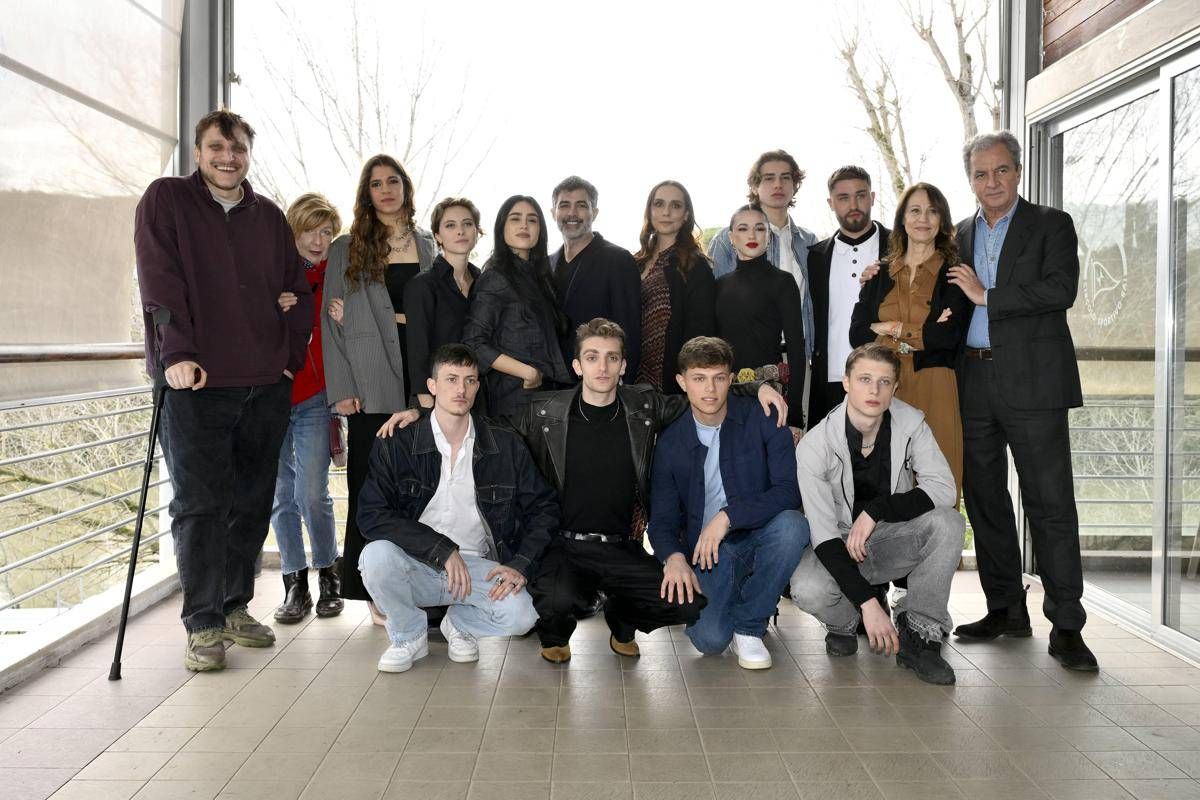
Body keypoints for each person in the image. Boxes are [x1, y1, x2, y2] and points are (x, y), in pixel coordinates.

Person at [134, 109, 312, 671]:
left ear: (248, 155)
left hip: (264, 384)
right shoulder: (167, 201)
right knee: (200, 504)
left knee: (253, 501)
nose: (227, 158)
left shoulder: (270, 218)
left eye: (237, 149)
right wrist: (176, 354)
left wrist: (288, 363)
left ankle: (234, 605)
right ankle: (203, 622)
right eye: (217, 147)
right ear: (198, 152)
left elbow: (298, 292)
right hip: (196, 383)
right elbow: (159, 282)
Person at [947, 130, 1096, 671]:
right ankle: (1006, 608)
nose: (992, 182)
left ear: (1018, 171)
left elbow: (1061, 289)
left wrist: (987, 296)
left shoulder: (1052, 224)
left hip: (1035, 384)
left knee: (1049, 503)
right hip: (973, 381)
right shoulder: (959, 234)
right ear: (970, 180)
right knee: (985, 500)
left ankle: (1067, 624)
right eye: (981, 173)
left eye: (1001, 170)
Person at [356, 344, 555, 672]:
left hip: (477, 567)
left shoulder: (505, 443)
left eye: (469, 380)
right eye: (451, 379)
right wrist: (441, 550)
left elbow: (544, 507)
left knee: (523, 615)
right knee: (375, 557)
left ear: (477, 387)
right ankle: (409, 635)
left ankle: (460, 625)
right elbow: (371, 515)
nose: (461, 389)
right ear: (432, 386)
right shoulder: (398, 442)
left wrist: (521, 563)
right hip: (415, 563)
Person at [791, 343, 965, 685]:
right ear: (846, 382)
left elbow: (944, 489)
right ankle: (846, 622)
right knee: (807, 587)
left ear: (895, 388)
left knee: (949, 523)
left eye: (884, 382)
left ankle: (920, 636)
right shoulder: (815, 444)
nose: (874, 390)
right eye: (865, 379)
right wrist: (868, 603)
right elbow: (824, 538)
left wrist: (877, 509)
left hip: (890, 539)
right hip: (840, 543)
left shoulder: (911, 424)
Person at [648, 336, 809, 669]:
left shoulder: (764, 416)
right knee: (709, 640)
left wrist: (727, 517)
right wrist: (673, 558)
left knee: (793, 526)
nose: (710, 389)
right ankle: (746, 596)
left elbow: (789, 491)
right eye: (699, 378)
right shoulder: (670, 442)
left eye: (719, 378)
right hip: (708, 556)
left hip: (759, 535)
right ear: (682, 382)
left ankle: (749, 626)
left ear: (731, 379)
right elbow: (661, 519)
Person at [322, 154, 437, 610]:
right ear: (366, 194)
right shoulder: (346, 247)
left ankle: (418, 584)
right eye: (376, 183)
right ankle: (370, 588)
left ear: (406, 187)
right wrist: (342, 389)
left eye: (393, 181)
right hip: (370, 375)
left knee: (420, 480)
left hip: (421, 371)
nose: (386, 190)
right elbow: (331, 323)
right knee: (369, 480)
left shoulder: (428, 243)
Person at [849, 182, 972, 497]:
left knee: (939, 482)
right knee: (884, 485)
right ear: (902, 219)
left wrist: (889, 328)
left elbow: (947, 337)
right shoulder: (879, 273)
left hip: (934, 386)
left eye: (932, 211)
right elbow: (858, 333)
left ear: (942, 220)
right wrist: (920, 332)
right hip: (884, 388)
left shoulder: (954, 274)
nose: (923, 219)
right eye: (915, 210)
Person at [271, 193, 345, 622]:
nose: (318, 241)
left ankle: (329, 575)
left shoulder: (338, 277)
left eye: (326, 232)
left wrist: (345, 317)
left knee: (311, 492)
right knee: (281, 494)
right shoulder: (272, 273)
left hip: (316, 396)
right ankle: (294, 583)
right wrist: (272, 308)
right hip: (272, 396)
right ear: (293, 232)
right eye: (310, 231)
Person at [463, 195, 571, 417]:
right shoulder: (495, 277)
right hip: (514, 399)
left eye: (532, 220)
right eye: (515, 219)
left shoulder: (542, 278)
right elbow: (474, 342)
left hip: (547, 396)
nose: (524, 225)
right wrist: (527, 372)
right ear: (501, 227)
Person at [708, 150, 816, 371]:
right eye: (768, 178)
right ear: (754, 186)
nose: (778, 184)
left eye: (785, 177)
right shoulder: (725, 240)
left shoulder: (809, 241)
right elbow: (718, 310)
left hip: (800, 356)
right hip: (744, 364)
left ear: (795, 185)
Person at [807, 166, 890, 429]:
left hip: (887, 377)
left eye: (860, 195)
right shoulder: (815, 257)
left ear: (872, 198)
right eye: (843, 198)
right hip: (832, 378)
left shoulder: (899, 246)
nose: (853, 205)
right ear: (831, 203)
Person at [715, 205, 807, 436]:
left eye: (759, 228)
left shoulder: (783, 282)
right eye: (743, 228)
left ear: (769, 236)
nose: (752, 235)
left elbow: (796, 348)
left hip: (771, 397)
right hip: (728, 398)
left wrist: (795, 414)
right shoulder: (719, 286)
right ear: (731, 237)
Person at [550, 176, 642, 377]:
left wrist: (623, 384)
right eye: (564, 205)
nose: (572, 212)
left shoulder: (618, 260)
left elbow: (630, 332)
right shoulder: (546, 265)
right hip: (552, 385)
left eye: (581, 205)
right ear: (553, 213)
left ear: (595, 212)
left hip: (600, 382)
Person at [632, 180, 717, 393]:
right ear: (649, 211)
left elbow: (701, 331)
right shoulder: (635, 262)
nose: (666, 212)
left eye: (676, 205)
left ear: (686, 215)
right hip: (632, 377)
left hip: (673, 380)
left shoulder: (695, 265)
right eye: (659, 204)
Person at [404, 197, 483, 409]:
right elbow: (418, 350)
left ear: (477, 231)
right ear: (437, 236)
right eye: (450, 225)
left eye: (467, 224)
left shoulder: (485, 282)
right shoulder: (422, 285)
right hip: (436, 400)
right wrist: (427, 406)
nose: (460, 231)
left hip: (478, 396)